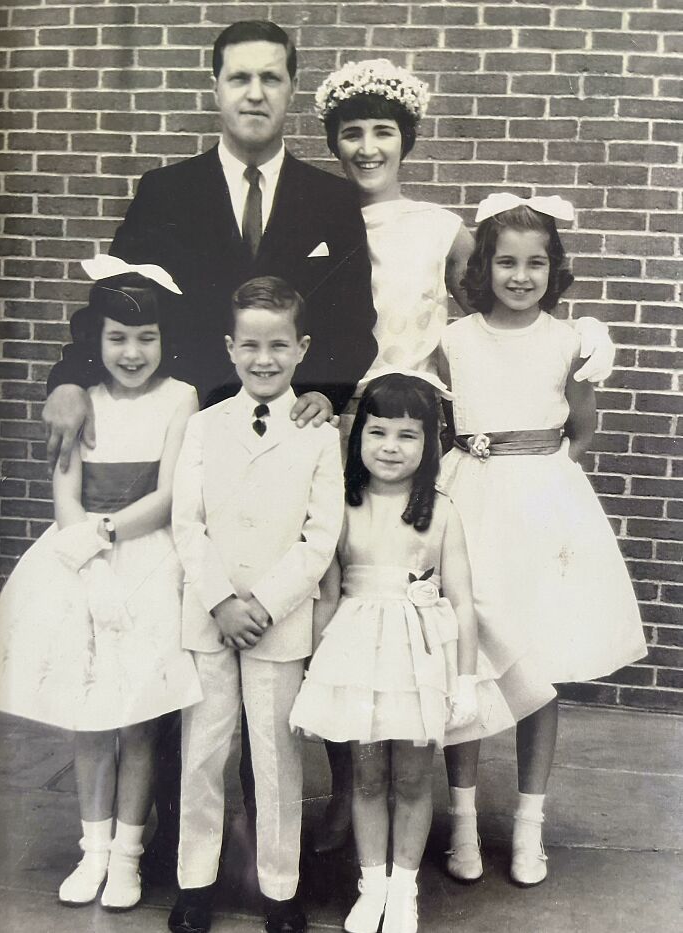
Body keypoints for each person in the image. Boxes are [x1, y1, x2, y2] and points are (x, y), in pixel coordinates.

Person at [42, 19, 376, 882]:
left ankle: (285, 836)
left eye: (271, 78)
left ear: (292, 89)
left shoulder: (330, 200)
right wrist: (73, 375)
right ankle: (154, 833)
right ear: (216, 88)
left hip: (286, 442)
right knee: (177, 634)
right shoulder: (167, 190)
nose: (255, 93)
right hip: (187, 437)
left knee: (281, 650)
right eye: (239, 78)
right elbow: (114, 300)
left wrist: (327, 391)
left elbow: (354, 322)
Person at [310, 56, 618, 854]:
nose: (369, 147)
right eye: (353, 133)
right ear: (334, 142)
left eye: (384, 131)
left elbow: (500, 300)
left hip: (419, 431)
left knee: (431, 618)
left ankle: (440, 801)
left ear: (406, 140)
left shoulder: (440, 227)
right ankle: (349, 791)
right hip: (340, 425)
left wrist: (583, 333)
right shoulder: (314, 216)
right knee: (351, 608)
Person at [289, 372, 553, 933]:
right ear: (358, 437)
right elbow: (328, 595)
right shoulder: (341, 506)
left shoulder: (442, 510)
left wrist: (464, 681)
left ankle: (403, 890)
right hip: (358, 658)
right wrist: (314, 668)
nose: (390, 447)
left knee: (411, 779)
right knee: (366, 778)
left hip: (419, 662)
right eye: (378, 433)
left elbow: (462, 602)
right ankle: (372, 887)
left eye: (407, 435)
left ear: (430, 443)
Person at [438, 194, 647, 888]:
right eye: (506, 262)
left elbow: (581, 430)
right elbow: (446, 420)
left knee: (540, 664)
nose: (520, 276)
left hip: (543, 509)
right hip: (472, 502)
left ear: (554, 269)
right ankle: (462, 823)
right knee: (466, 663)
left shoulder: (569, 342)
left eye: (535, 263)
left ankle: (529, 825)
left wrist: (544, 481)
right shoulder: (456, 340)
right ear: (484, 268)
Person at [0, 260, 203, 911]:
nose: (131, 353)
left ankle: (129, 855)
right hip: (81, 562)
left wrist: (109, 537)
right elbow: (66, 495)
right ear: (95, 339)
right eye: (117, 338)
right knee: (90, 717)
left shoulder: (181, 397)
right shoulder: (82, 399)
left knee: (137, 719)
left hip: (151, 562)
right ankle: (94, 850)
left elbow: (169, 496)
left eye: (145, 338)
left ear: (165, 338)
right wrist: (91, 562)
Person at [169, 276, 344, 933]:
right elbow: (187, 523)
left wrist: (265, 603)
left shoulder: (319, 434)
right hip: (210, 617)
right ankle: (195, 883)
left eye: (277, 345)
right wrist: (221, 600)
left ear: (302, 348)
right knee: (203, 754)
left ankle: (279, 887)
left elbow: (320, 536)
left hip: (278, 620)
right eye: (250, 345)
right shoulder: (204, 425)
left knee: (276, 758)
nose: (263, 359)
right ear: (229, 348)